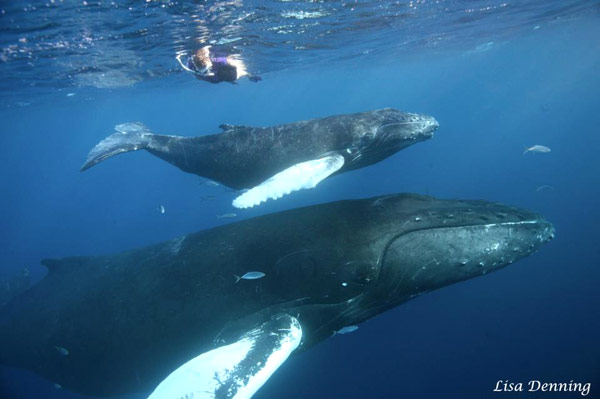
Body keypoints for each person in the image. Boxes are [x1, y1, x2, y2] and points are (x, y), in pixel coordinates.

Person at [176, 46, 261, 84]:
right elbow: (198, 77)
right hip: (215, 79)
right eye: (205, 70)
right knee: (220, 79)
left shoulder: (217, 61)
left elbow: (233, 63)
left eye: (209, 68)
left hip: (222, 71)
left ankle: (249, 75)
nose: (209, 72)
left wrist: (238, 67)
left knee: (234, 75)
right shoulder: (191, 65)